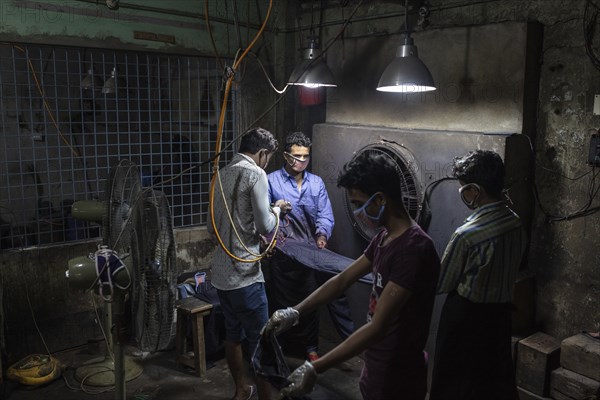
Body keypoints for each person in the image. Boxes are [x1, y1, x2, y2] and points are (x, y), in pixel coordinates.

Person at [263, 151, 440, 400]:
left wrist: (316, 367)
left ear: (380, 199)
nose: (357, 211)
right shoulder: (384, 237)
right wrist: (295, 312)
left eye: (358, 203)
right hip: (377, 365)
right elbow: (343, 279)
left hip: (399, 375)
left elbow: (378, 327)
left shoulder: (414, 249)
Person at [429, 150, 527, 400]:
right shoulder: (516, 222)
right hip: (500, 317)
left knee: (456, 384)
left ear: (475, 190)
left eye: (463, 189)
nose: (463, 194)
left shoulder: (467, 235)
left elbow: (442, 283)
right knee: (492, 383)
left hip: (466, 318)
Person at [208, 127, 286, 400]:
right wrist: (277, 210)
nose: (267, 163)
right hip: (245, 275)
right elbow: (265, 225)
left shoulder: (220, 174)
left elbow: (211, 227)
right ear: (262, 153)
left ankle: (240, 389)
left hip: (220, 275)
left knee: (233, 334)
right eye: (268, 158)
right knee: (261, 341)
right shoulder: (256, 173)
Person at [266, 131, 355, 362]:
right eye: (297, 156)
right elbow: (261, 217)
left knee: (309, 303)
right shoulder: (271, 181)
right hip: (283, 253)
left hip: (309, 252)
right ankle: (280, 348)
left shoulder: (316, 183)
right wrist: (275, 208)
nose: (302, 161)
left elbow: (325, 214)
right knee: (283, 303)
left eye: (306, 156)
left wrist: (322, 235)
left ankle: (310, 348)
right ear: (286, 155)